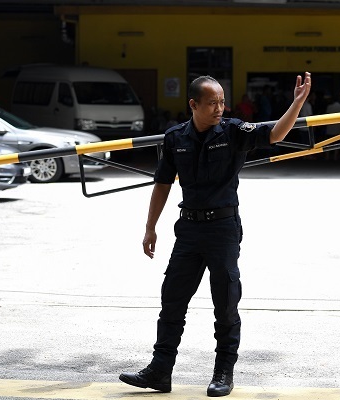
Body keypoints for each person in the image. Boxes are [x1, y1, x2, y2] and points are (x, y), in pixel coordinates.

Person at [119, 72, 311, 397]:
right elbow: (163, 183)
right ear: (193, 104)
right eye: (212, 103)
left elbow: (275, 134)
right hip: (189, 231)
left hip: (222, 230)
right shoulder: (175, 138)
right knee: (172, 302)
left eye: (222, 101)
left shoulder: (235, 132)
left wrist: (297, 103)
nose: (219, 108)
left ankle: (223, 372)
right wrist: (150, 227)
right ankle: (160, 371)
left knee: (225, 304)